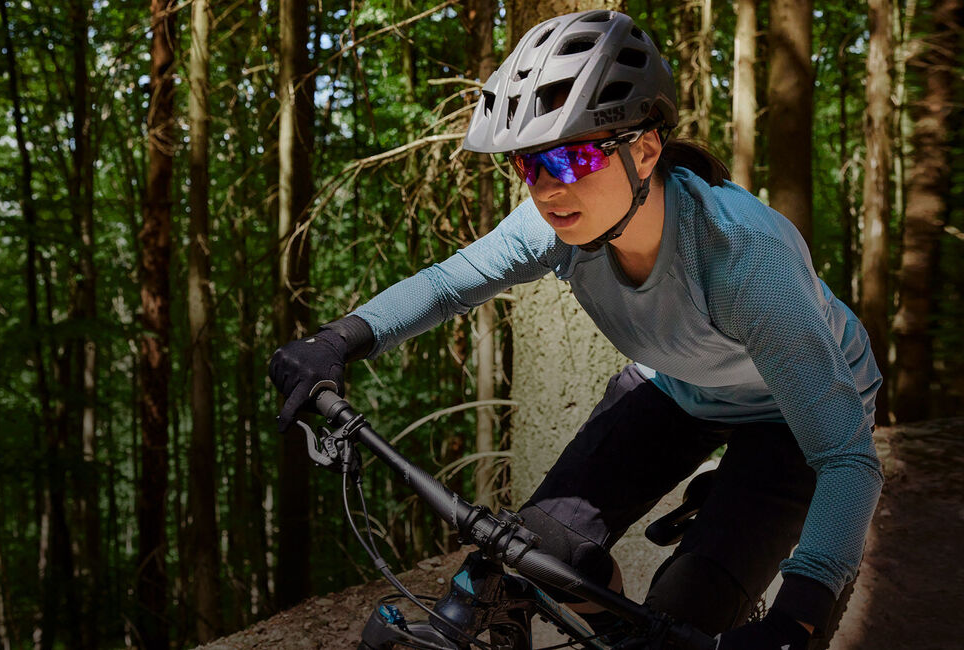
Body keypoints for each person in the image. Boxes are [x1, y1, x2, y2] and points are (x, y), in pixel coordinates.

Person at [270, 9, 882, 650]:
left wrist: (795, 620)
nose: (547, 188)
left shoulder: (745, 260)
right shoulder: (555, 223)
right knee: (539, 557)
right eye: (529, 165)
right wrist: (339, 338)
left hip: (791, 411)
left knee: (688, 606)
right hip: (679, 385)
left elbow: (847, 460)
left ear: (646, 150)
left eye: (575, 157)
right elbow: (451, 282)